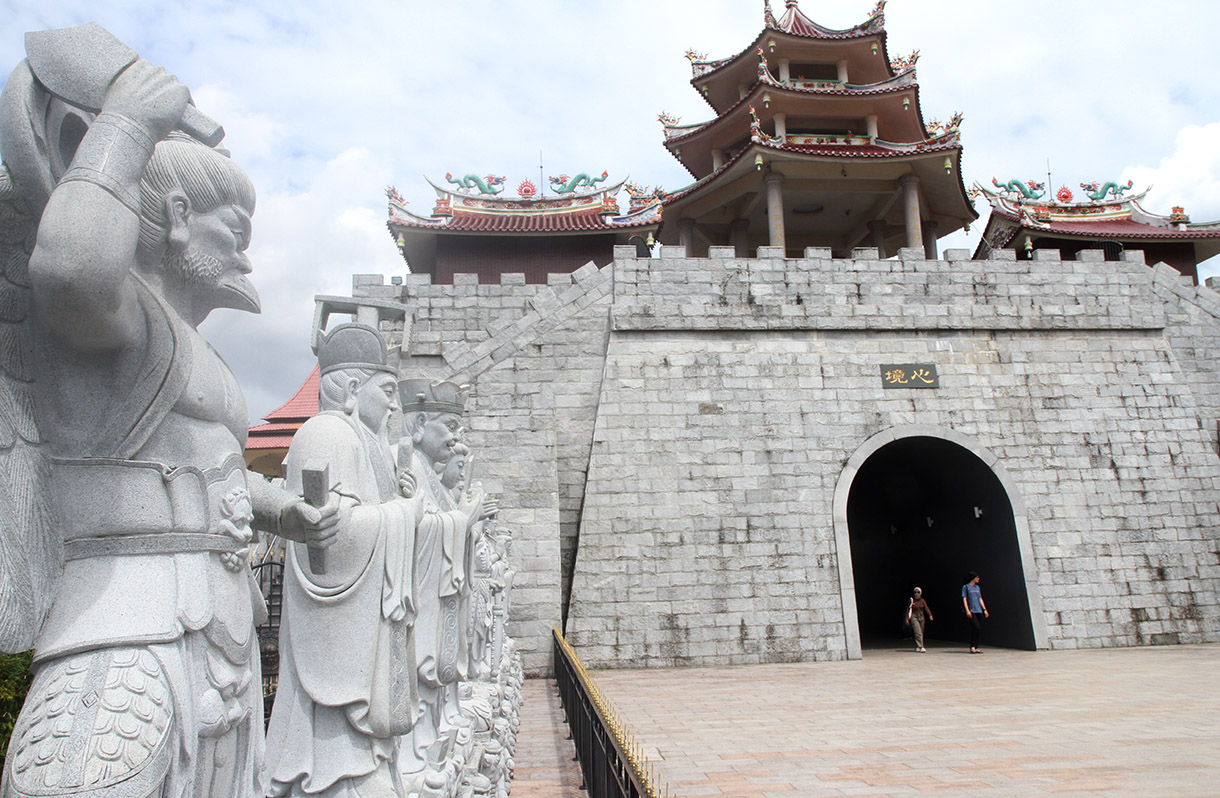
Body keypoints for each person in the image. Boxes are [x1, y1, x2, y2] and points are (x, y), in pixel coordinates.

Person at [0, 37, 336, 798]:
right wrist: (127, 123)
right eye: (236, 234)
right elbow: (73, 268)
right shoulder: (120, 326)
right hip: (127, 633)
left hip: (217, 624)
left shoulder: (194, 351)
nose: (246, 259)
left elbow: (210, 475)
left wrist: (284, 509)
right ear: (178, 216)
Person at [264, 323, 421, 798]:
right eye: (388, 391)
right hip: (332, 655)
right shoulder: (327, 432)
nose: (395, 406)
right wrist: (403, 516)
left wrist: (402, 505)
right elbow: (333, 544)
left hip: (362, 640)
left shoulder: (364, 441)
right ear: (353, 388)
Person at [962, 572, 989, 653]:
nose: (978, 579)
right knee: (976, 627)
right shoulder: (966, 587)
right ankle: (972, 646)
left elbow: (980, 598)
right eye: (977, 577)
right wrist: (967, 610)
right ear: (973, 578)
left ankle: (975, 646)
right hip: (972, 610)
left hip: (979, 610)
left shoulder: (977, 587)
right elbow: (964, 599)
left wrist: (984, 609)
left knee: (977, 629)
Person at [906, 587, 933, 652]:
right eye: (915, 592)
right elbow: (908, 609)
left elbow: (926, 608)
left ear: (920, 593)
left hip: (921, 616)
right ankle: (921, 647)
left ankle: (917, 646)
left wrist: (930, 615)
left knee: (921, 632)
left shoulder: (922, 601)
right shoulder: (911, 600)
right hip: (914, 616)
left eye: (918, 592)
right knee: (917, 631)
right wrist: (907, 618)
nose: (916, 594)